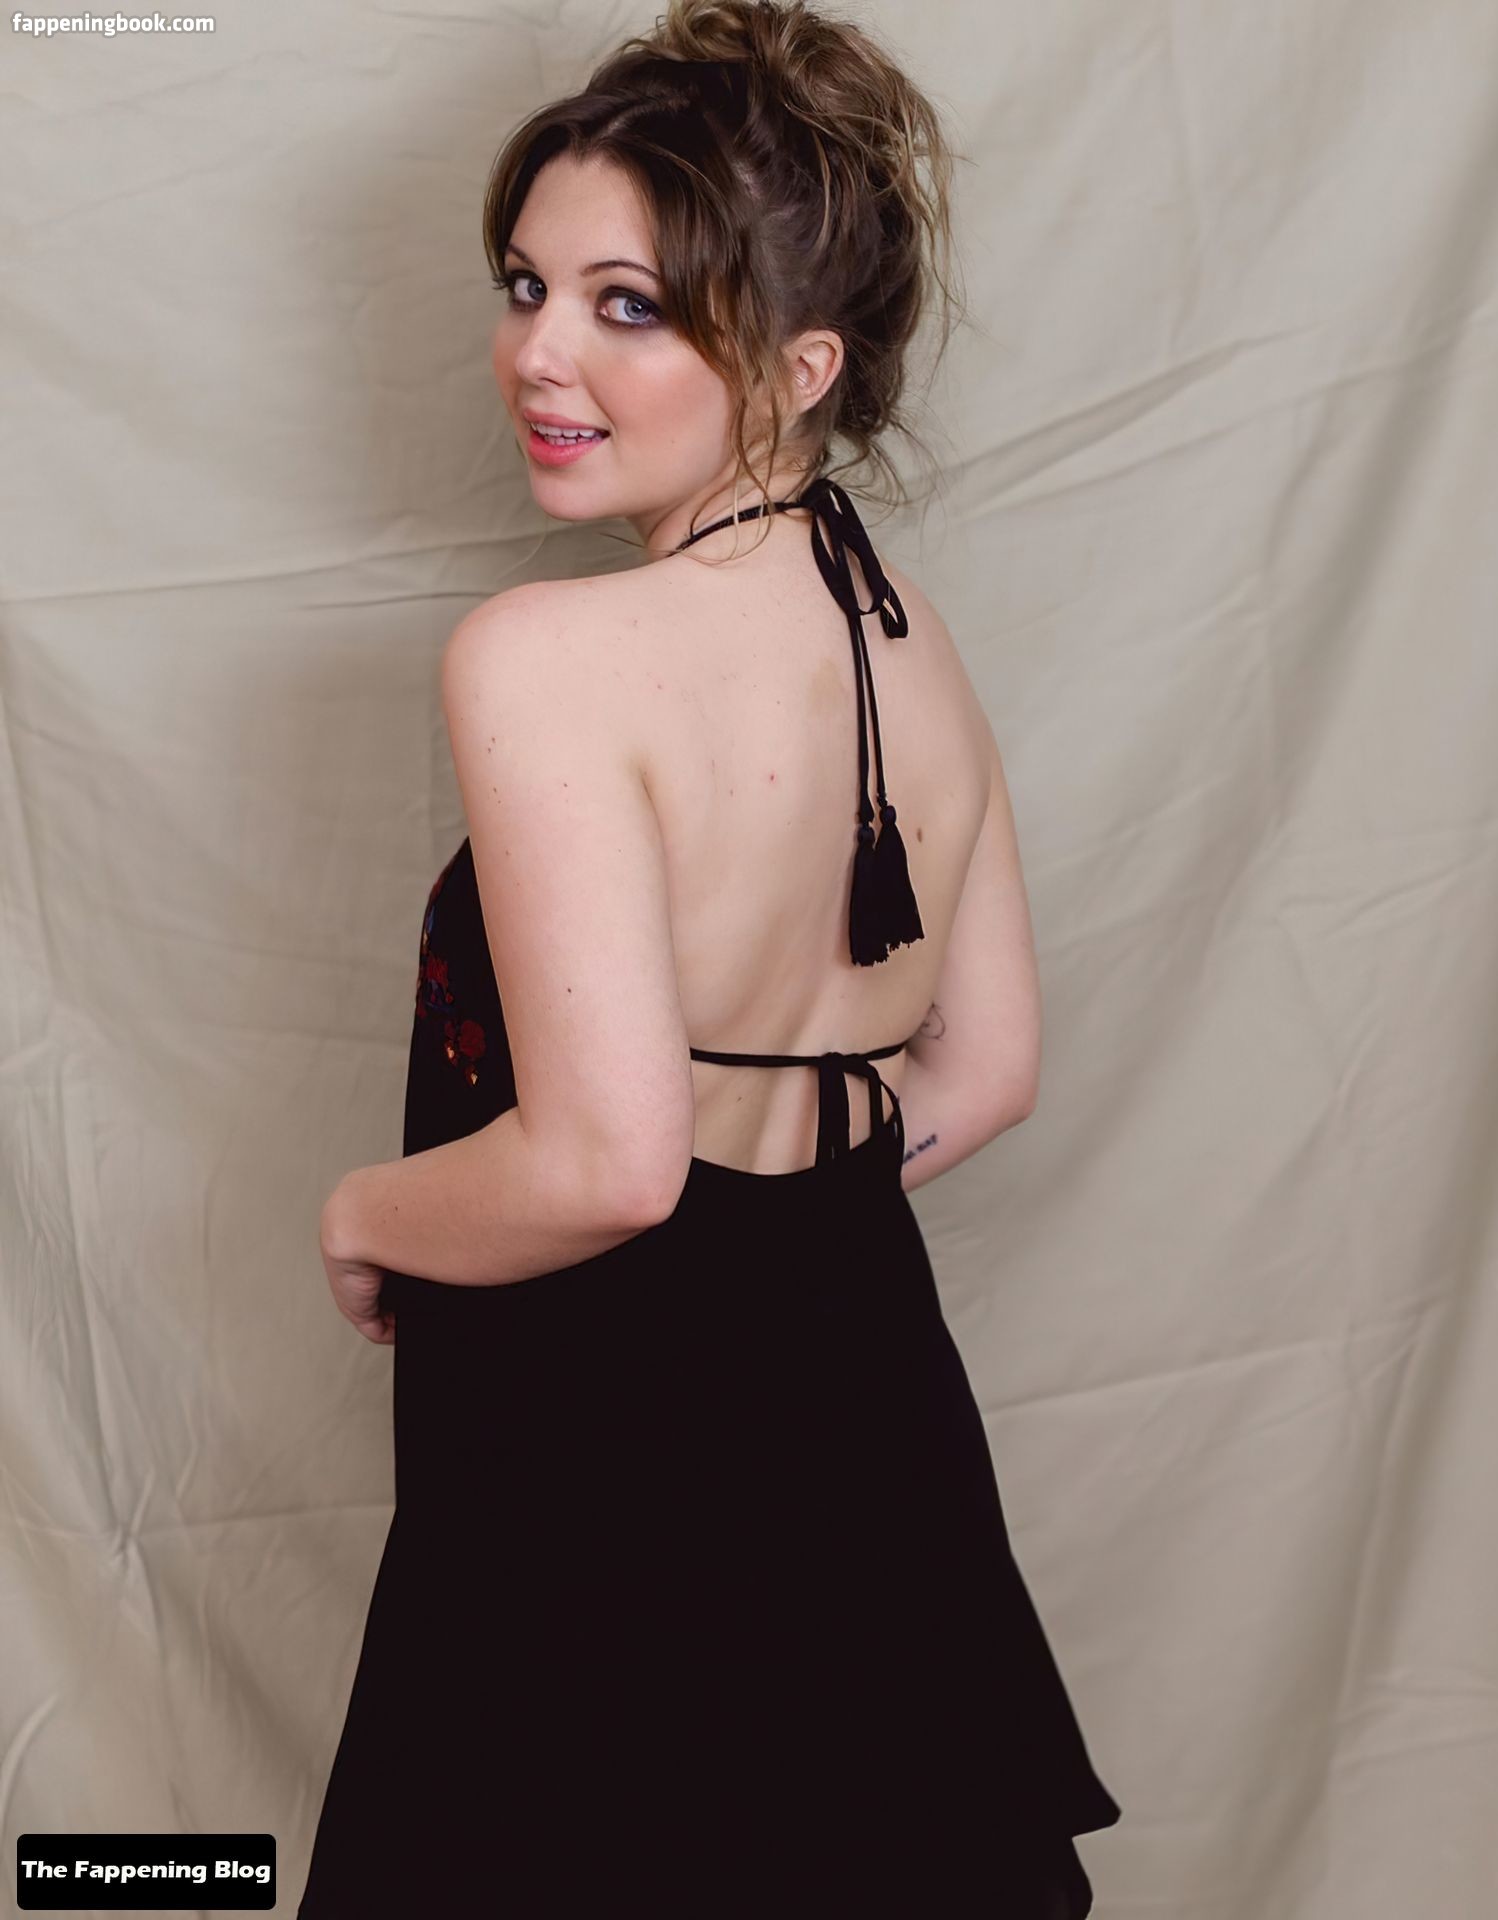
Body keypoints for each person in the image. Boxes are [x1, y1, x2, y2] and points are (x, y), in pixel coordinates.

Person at [298, 1, 1122, 1911]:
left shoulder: (545, 658)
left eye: (631, 307)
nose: (539, 353)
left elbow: (610, 1166)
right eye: (527, 288)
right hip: (871, 1417)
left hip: (601, 1466)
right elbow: (985, 1071)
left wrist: (360, 1211)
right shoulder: (909, 637)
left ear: (803, 361)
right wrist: (778, 1237)